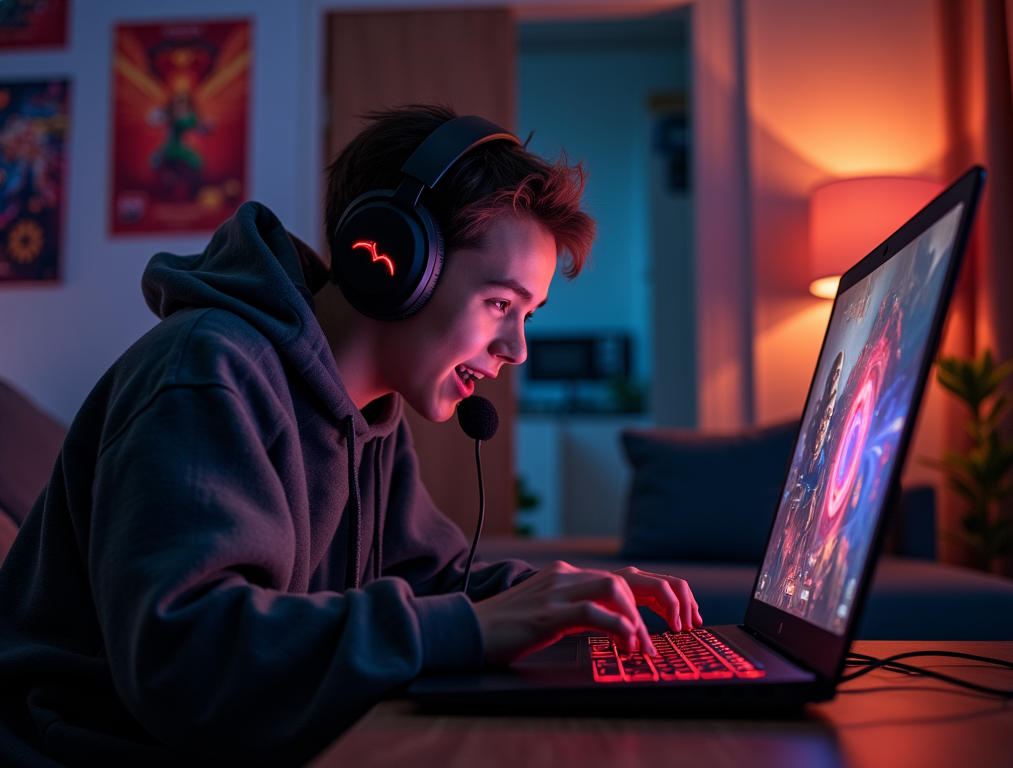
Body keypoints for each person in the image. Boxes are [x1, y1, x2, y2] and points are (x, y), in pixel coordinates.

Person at [0, 104, 701, 768]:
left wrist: (566, 598)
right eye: (499, 304)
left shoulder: (369, 416)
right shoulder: (207, 373)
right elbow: (189, 659)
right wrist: (467, 631)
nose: (517, 349)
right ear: (394, 261)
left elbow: (427, 579)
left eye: (529, 314)